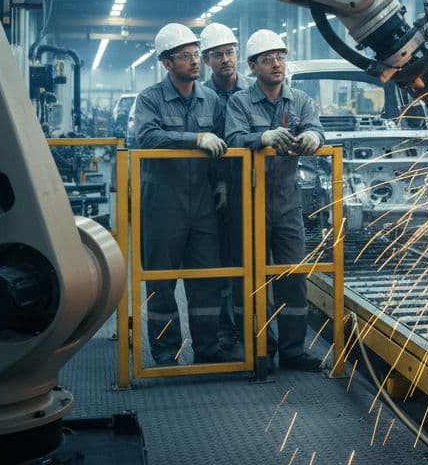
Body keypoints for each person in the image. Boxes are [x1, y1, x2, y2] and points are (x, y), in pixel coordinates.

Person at [130, 23, 237, 366]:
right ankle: (165, 352)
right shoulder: (150, 98)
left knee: (205, 279)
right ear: (166, 63)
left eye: (195, 54)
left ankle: (207, 348)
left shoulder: (210, 100)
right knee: (161, 281)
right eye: (185, 56)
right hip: (163, 203)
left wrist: (221, 183)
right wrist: (194, 139)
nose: (195, 61)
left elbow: (225, 142)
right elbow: (146, 136)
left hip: (203, 203)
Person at [224, 29, 325, 372]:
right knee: (250, 277)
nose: (276, 64)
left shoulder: (300, 101)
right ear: (252, 67)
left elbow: (316, 128)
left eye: (280, 57)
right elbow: (233, 137)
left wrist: (313, 134)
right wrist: (261, 137)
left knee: (292, 276)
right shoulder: (239, 102)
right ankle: (257, 349)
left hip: (286, 202)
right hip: (250, 202)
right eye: (267, 59)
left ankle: (293, 350)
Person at [200, 23, 248, 352]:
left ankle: (252, 329)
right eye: (218, 55)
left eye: (230, 52)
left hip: (250, 190)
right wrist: (218, 183)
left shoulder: (254, 91)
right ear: (207, 60)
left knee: (249, 261)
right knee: (217, 264)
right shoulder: (201, 97)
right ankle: (223, 330)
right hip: (211, 192)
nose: (226, 59)